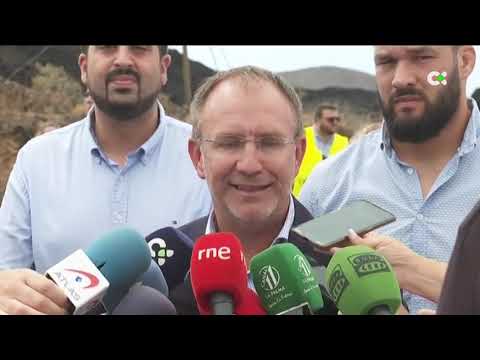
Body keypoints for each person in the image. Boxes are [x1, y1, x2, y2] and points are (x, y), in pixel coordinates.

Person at [0, 45, 212, 315]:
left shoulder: (209, 159)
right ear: (84, 68)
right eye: (107, 47)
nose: (123, 59)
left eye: (139, 48)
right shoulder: (35, 159)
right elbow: (5, 275)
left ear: (163, 68)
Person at [300, 45, 478, 314]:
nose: (401, 78)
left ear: (464, 62)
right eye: (386, 62)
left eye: (422, 57)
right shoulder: (327, 184)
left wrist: (415, 272)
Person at [155, 66, 336, 315]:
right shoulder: (162, 270)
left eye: (270, 143)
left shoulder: (343, 271)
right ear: (198, 157)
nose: (250, 165)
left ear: (297, 155)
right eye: (229, 143)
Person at [292, 104, 349, 197]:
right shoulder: (302, 137)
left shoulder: (343, 142)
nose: (335, 122)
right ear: (317, 120)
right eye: (330, 119)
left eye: (337, 119)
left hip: (330, 201)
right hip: (301, 198)